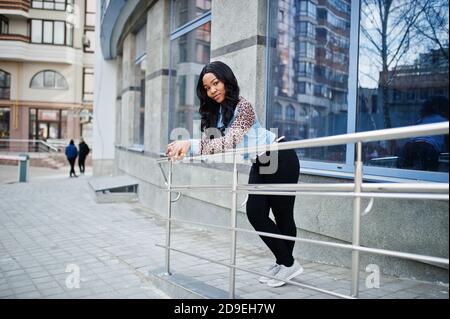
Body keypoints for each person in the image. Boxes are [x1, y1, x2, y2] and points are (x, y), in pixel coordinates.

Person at [165, 61, 303, 287]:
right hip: (262, 161)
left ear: (226, 81)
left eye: (216, 83)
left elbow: (229, 142)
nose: (212, 90)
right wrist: (184, 151)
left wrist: (189, 144)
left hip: (280, 155)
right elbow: (213, 146)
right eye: (207, 88)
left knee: (283, 215)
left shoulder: (244, 107)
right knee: (256, 213)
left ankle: (286, 264)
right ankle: (286, 262)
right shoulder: (218, 113)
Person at [398, 96, 449, 171]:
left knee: (404, 171)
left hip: (409, 146)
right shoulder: (444, 121)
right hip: (427, 147)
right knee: (429, 175)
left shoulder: (421, 120)